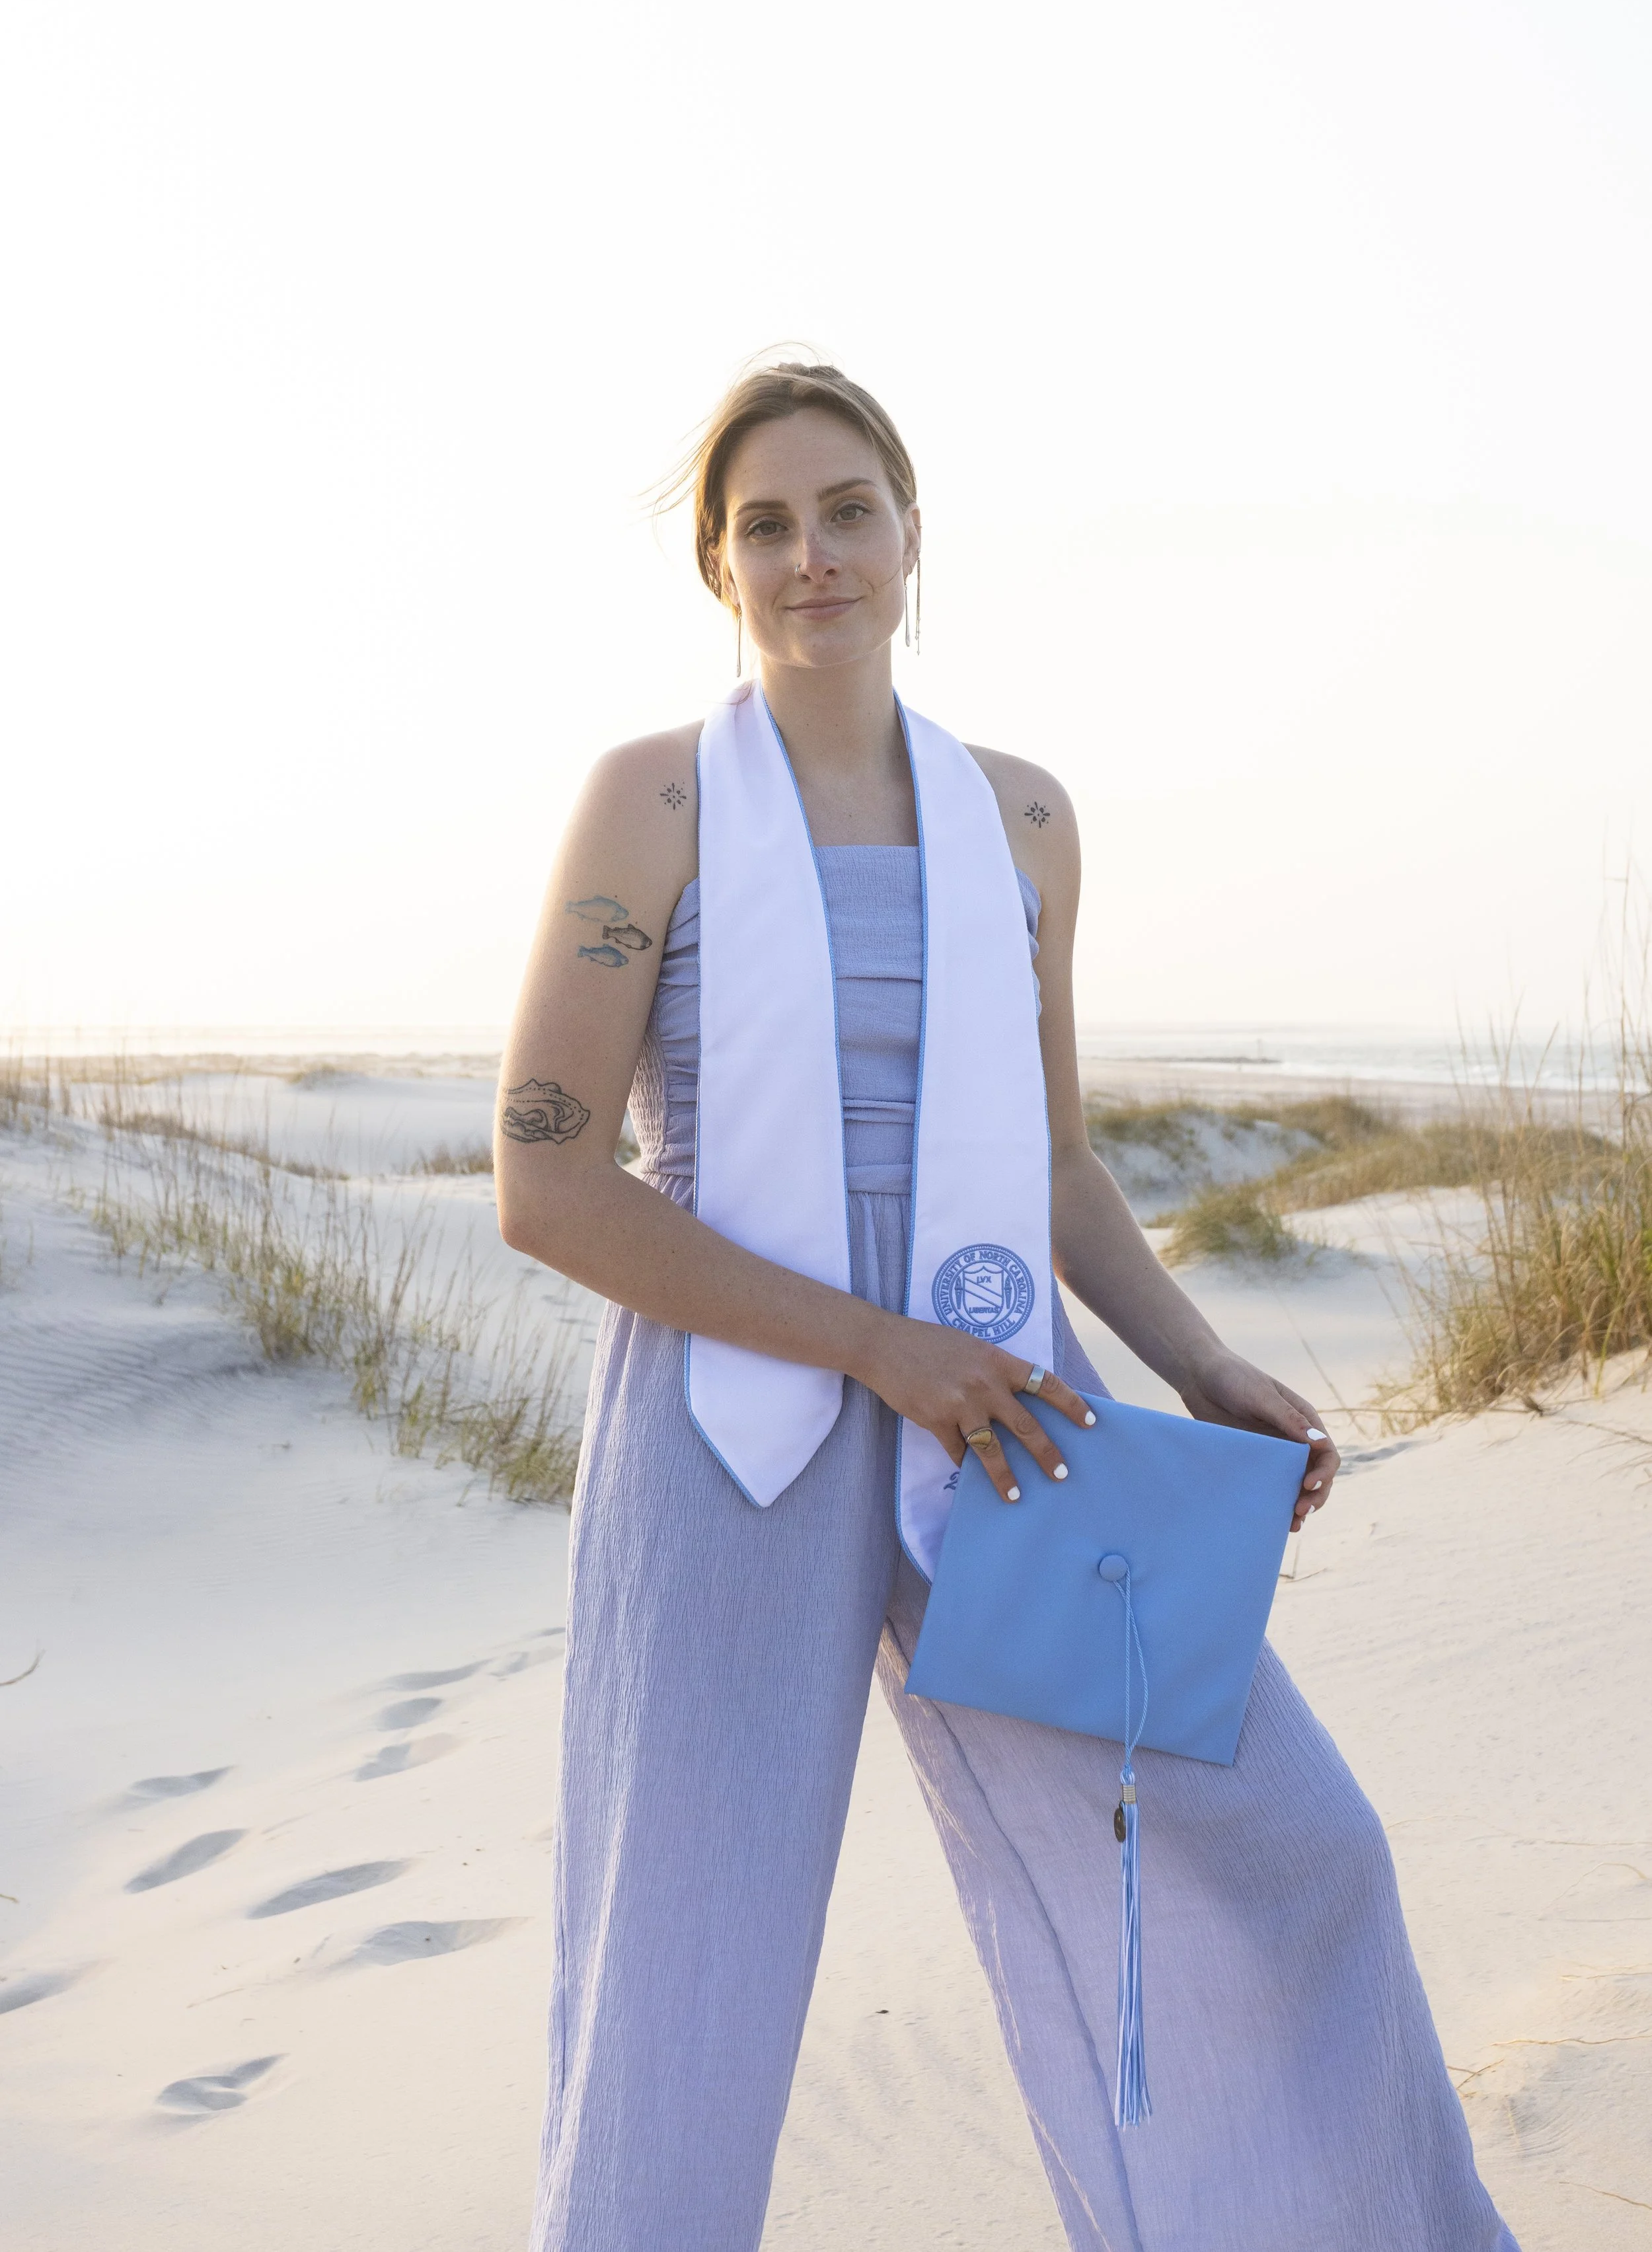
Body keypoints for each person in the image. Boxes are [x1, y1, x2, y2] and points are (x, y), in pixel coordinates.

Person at [496, 363, 1517, 2251]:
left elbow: (1050, 1160)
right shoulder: (649, 799)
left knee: (1291, 1849)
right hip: (733, 1428)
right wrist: (876, 1348)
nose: (815, 555)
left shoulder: (1021, 818)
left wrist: (1205, 1366)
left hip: (1009, 1415)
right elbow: (544, 1178)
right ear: (716, 568)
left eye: (848, 508)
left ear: (909, 529)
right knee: (681, 1973)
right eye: (767, 524)